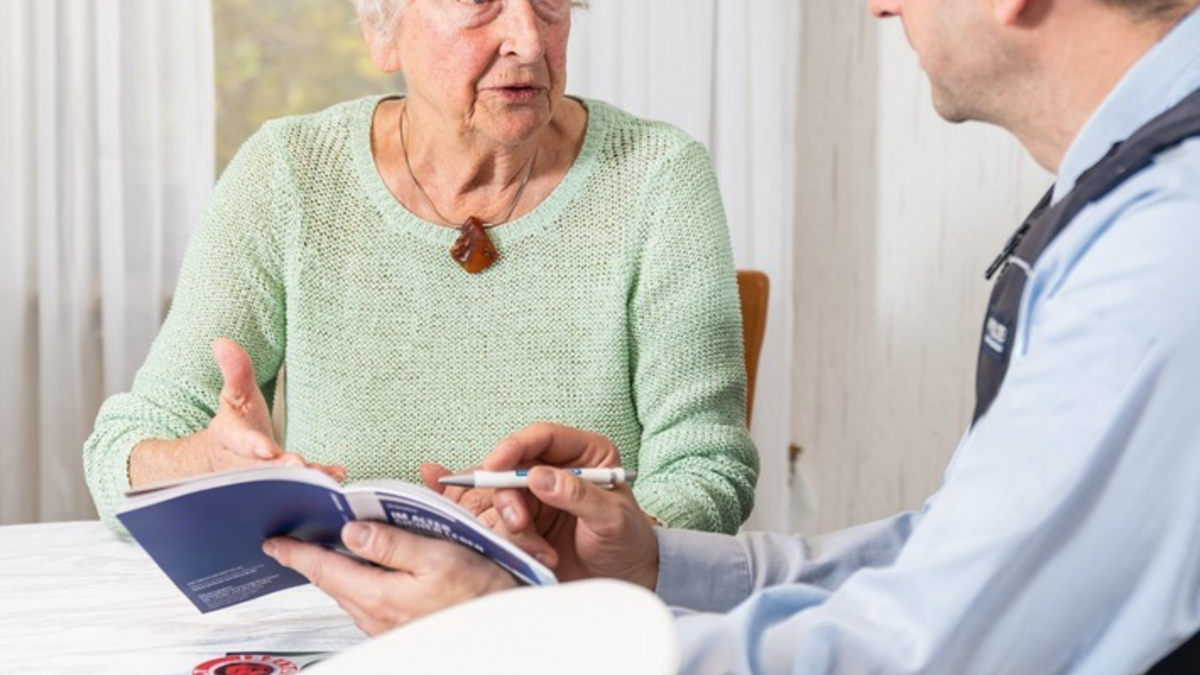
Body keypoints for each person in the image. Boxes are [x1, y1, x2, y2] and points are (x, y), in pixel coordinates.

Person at [263, 0, 1200, 673]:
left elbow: (926, 649)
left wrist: (515, 635)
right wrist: (656, 564)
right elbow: (953, 555)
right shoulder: (1132, 203)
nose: (878, 7)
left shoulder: (1166, 249)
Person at [82, 0, 758, 535]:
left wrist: (601, 542)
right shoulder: (289, 173)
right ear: (385, 31)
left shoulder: (657, 176)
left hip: (569, 616)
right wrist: (204, 463)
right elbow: (119, 458)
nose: (526, 37)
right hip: (345, 620)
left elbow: (704, 468)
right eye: (478, 1)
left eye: (550, 0)